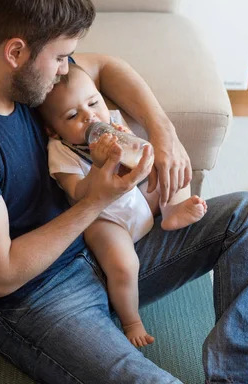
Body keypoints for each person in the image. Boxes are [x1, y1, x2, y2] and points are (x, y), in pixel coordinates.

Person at [0, 0, 248, 382]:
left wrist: (163, 132)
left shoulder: (33, 80)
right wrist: (94, 202)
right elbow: (0, 275)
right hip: (40, 297)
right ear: (15, 52)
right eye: (61, 57)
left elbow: (108, 67)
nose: (67, 68)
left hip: (108, 248)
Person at [37, 63, 208, 347]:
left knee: (170, 167)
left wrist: (133, 146)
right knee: (123, 264)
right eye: (73, 116)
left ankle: (172, 211)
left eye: (93, 103)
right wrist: (100, 165)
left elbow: (142, 165)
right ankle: (131, 320)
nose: (90, 116)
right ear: (53, 131)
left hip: (138, 197)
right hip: (104, 218)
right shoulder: (60, 151)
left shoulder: (114, 122)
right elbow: (80, 193)